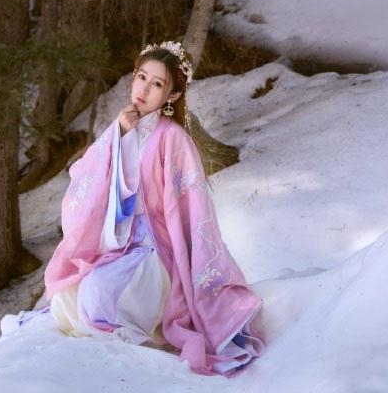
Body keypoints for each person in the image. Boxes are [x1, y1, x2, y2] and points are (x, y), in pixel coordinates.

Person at [44, 40, 263, 376]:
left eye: (157, 84)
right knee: (66, 296)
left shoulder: (174, 138)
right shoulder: (121, 126)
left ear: (172, 96)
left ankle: (136, 336)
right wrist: (119, 135)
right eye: (141, 77)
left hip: (155, 247)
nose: (144, 90)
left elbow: (193, 207)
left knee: (98, 294)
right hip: (120, 240)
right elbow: (85, 176)